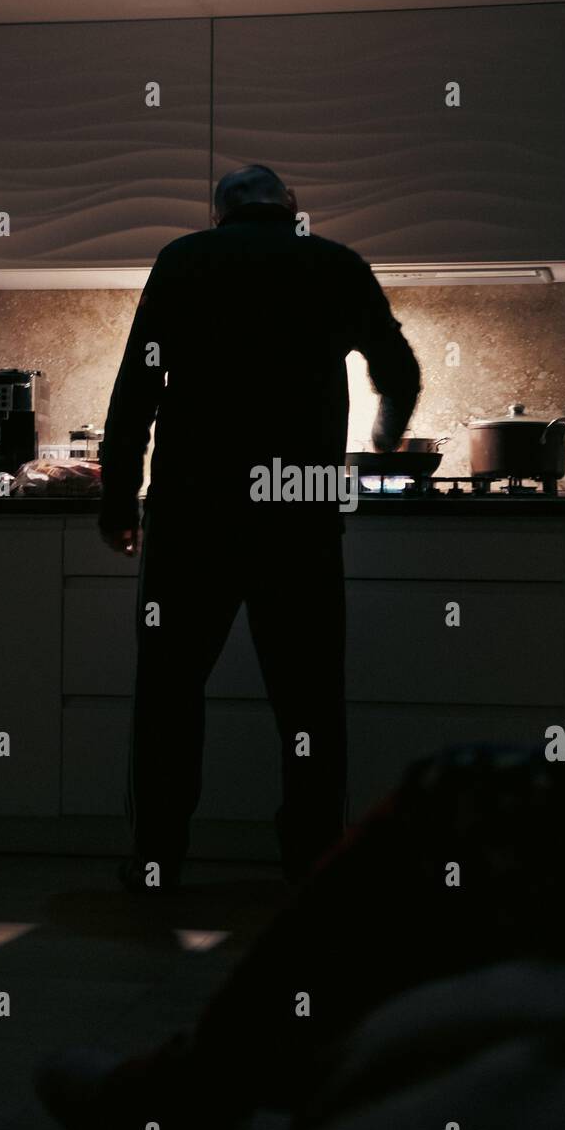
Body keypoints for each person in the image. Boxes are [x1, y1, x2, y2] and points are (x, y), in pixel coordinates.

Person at [36, 668, 565, 1130]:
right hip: (289, 534)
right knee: (306, 689)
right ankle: (297, 882)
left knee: (456, 790)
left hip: (212, 525)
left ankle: (202, 1079)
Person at [98, 165, 421, 890]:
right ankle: (311, 861)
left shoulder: (183, 261)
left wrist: (119, 501)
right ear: (292, 208)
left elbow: (137, 389)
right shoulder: (334, 263)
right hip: (297, 518)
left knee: (169, 693)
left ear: (219, 213)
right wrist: (387, 432)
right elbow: (398, 369)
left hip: (193, 513)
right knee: (307, 700)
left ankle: (156, 859)